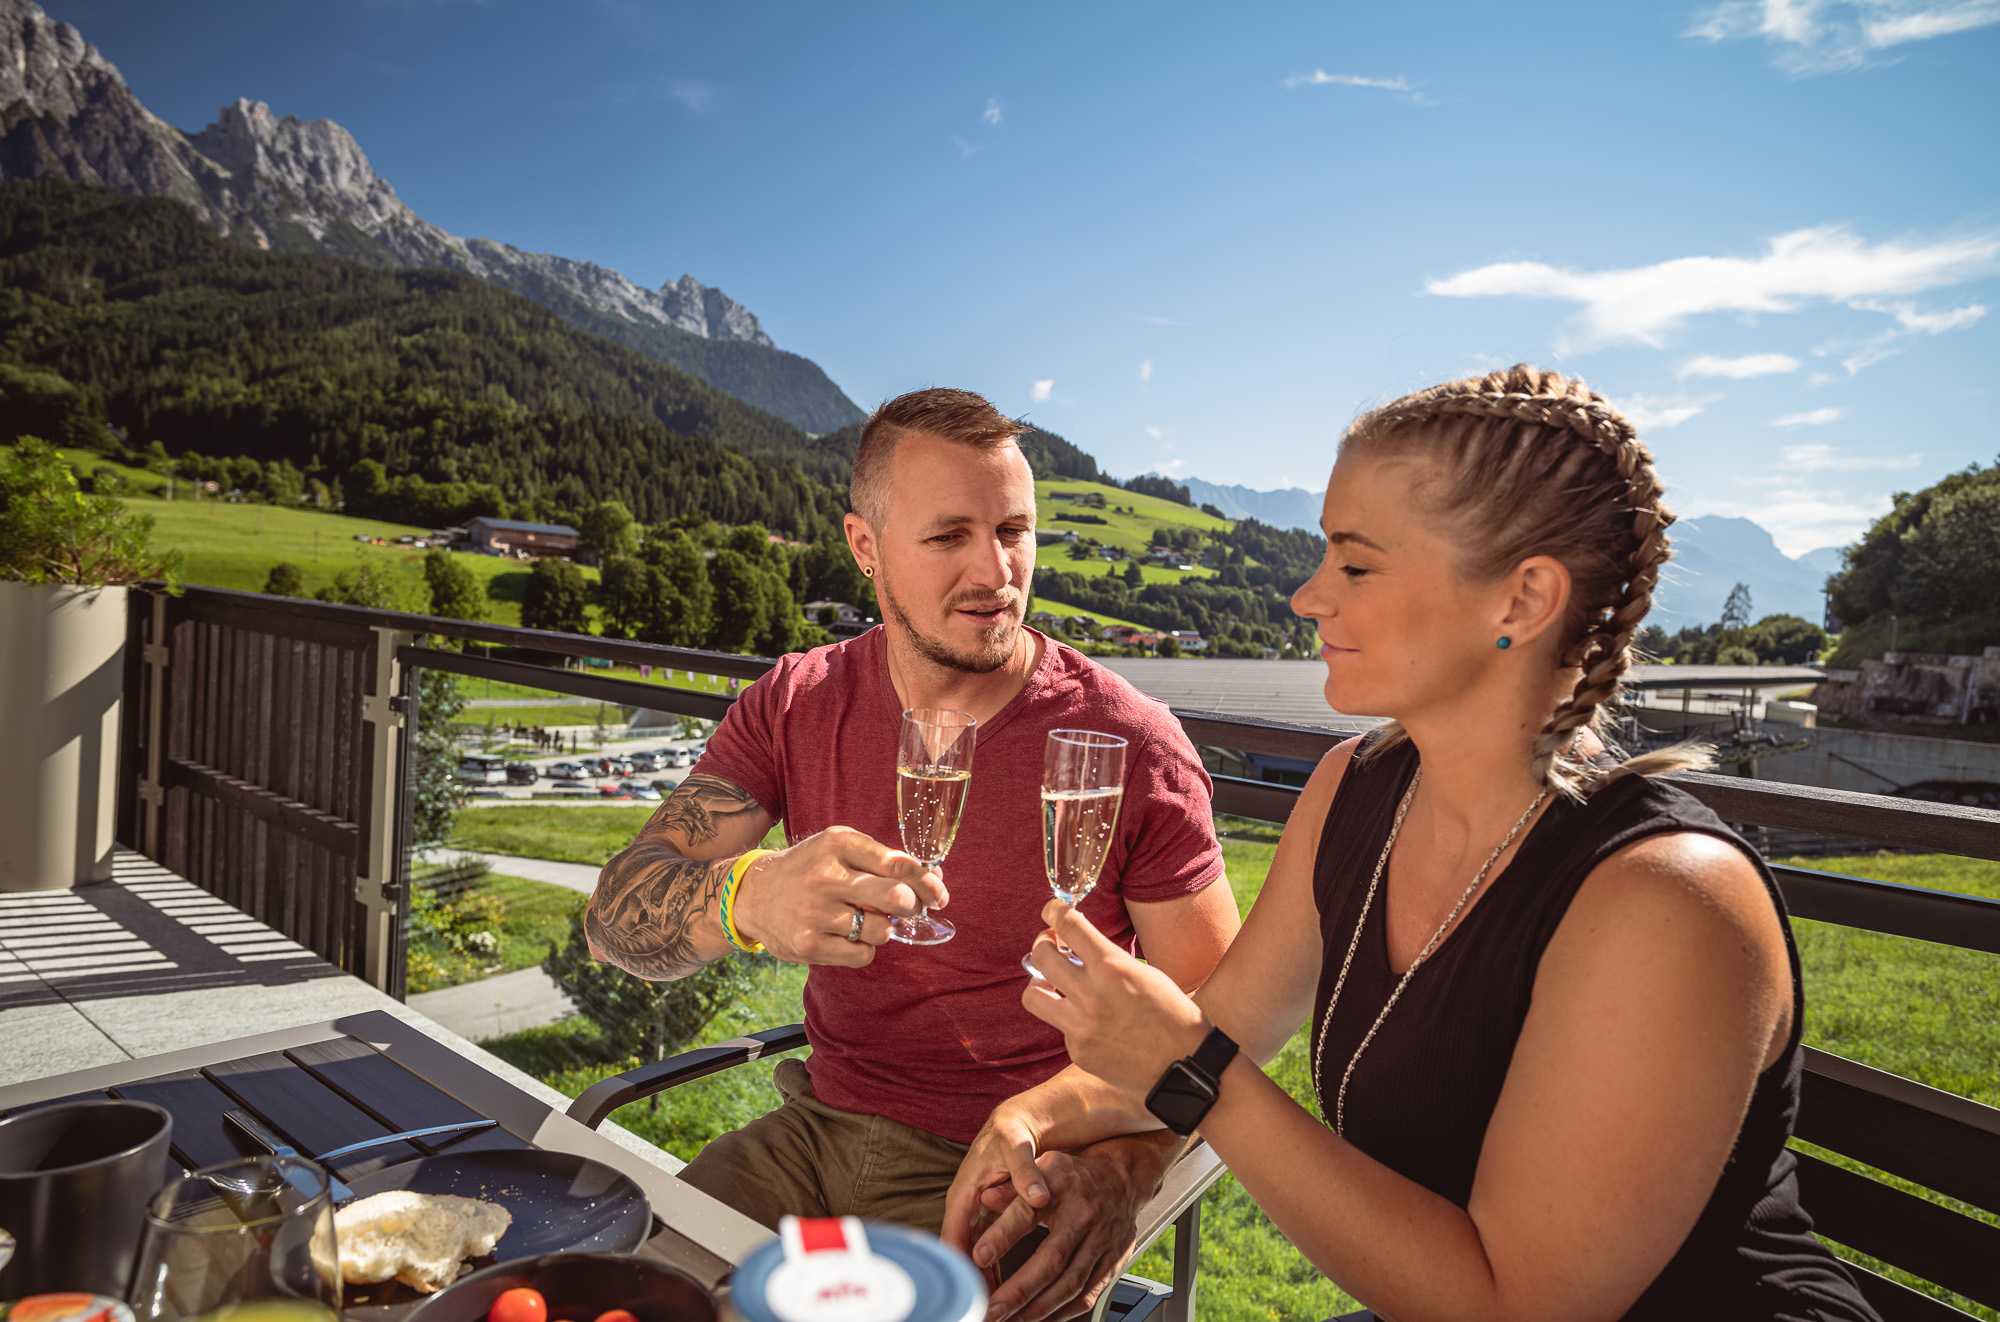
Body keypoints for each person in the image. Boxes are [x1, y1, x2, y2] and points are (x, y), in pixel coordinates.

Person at [946, 367, 1879, 1322]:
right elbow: (1226, 1028)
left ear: (1521, 601)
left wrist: (1195, 1071)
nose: (1309, 596)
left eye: (1356, 565)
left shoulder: (1668, 898)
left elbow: (1516, 1305)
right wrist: (1028, 1116)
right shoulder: (1354, 792)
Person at [587, 387, 1241, 1321]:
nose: (997, 570)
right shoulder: (796, 701)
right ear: (865, 547)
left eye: (1015, 530)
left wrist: (1129, 1165)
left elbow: (1226, 1026)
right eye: (949, 538)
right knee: (620, 1296)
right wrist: (744, 899)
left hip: (1005, 1171)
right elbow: (615, 919)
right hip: (811, 1133)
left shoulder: (1127, 739)